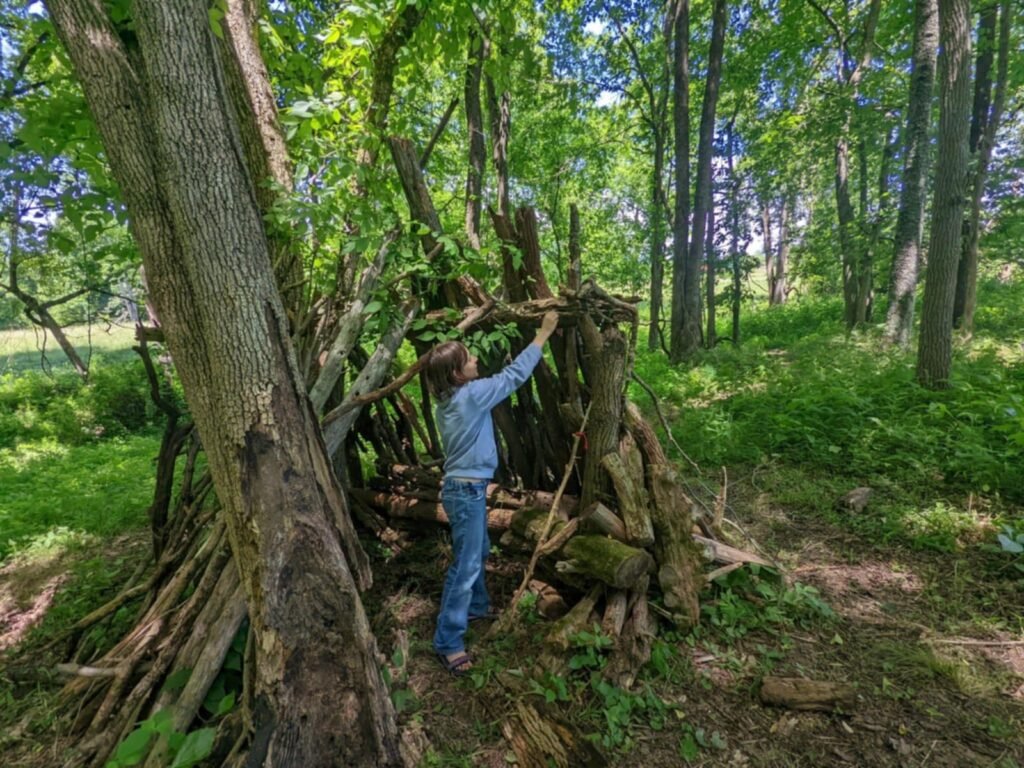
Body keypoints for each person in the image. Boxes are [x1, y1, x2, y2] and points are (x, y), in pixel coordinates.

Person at [425, 311, 560, 676]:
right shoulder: (470, 396)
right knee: (466, 565)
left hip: (461, 490)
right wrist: (542, 335)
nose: (475, 360)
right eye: (468, 358)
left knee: (477, 550)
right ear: (456, 374)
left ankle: (478, 606)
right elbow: (513, 376)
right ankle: (449, 641)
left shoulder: (448, 402)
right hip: (466, 492)